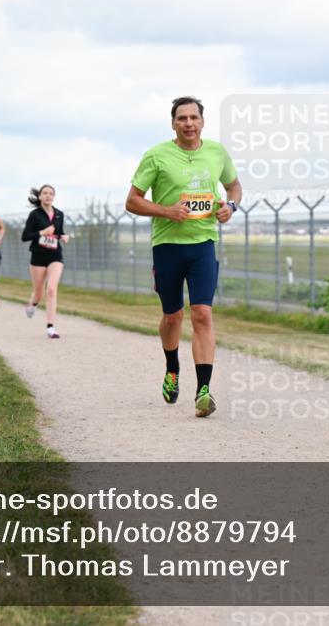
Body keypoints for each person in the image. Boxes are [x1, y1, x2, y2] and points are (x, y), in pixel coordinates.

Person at [125, 96, 242, 418]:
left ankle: (203, 390)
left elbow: (234, 186)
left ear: (202, 121)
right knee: (173, 316)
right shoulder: (157, 155)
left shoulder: (216, 152)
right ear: (173, 123)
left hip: (203, 244)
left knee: (202, 314)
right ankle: (172, 367)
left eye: (194, 117)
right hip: (167, 247)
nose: (188, 123)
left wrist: (230, 206)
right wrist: (166, 211)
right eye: (182, 118)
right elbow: (132, 201)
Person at [21, 185, 70, 338]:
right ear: (40, 196)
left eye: (51, 193)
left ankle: (51, 327)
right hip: (38, 256)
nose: (48, 195)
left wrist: (63, 236)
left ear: (54, 196)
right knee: (39, 293)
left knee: (51, 289)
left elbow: (59, 233)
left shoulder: (59, 214)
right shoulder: (35, 215)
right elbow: (25, 236)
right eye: (45, 193)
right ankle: (33, 303)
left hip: (55, 255)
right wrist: (42, 232)